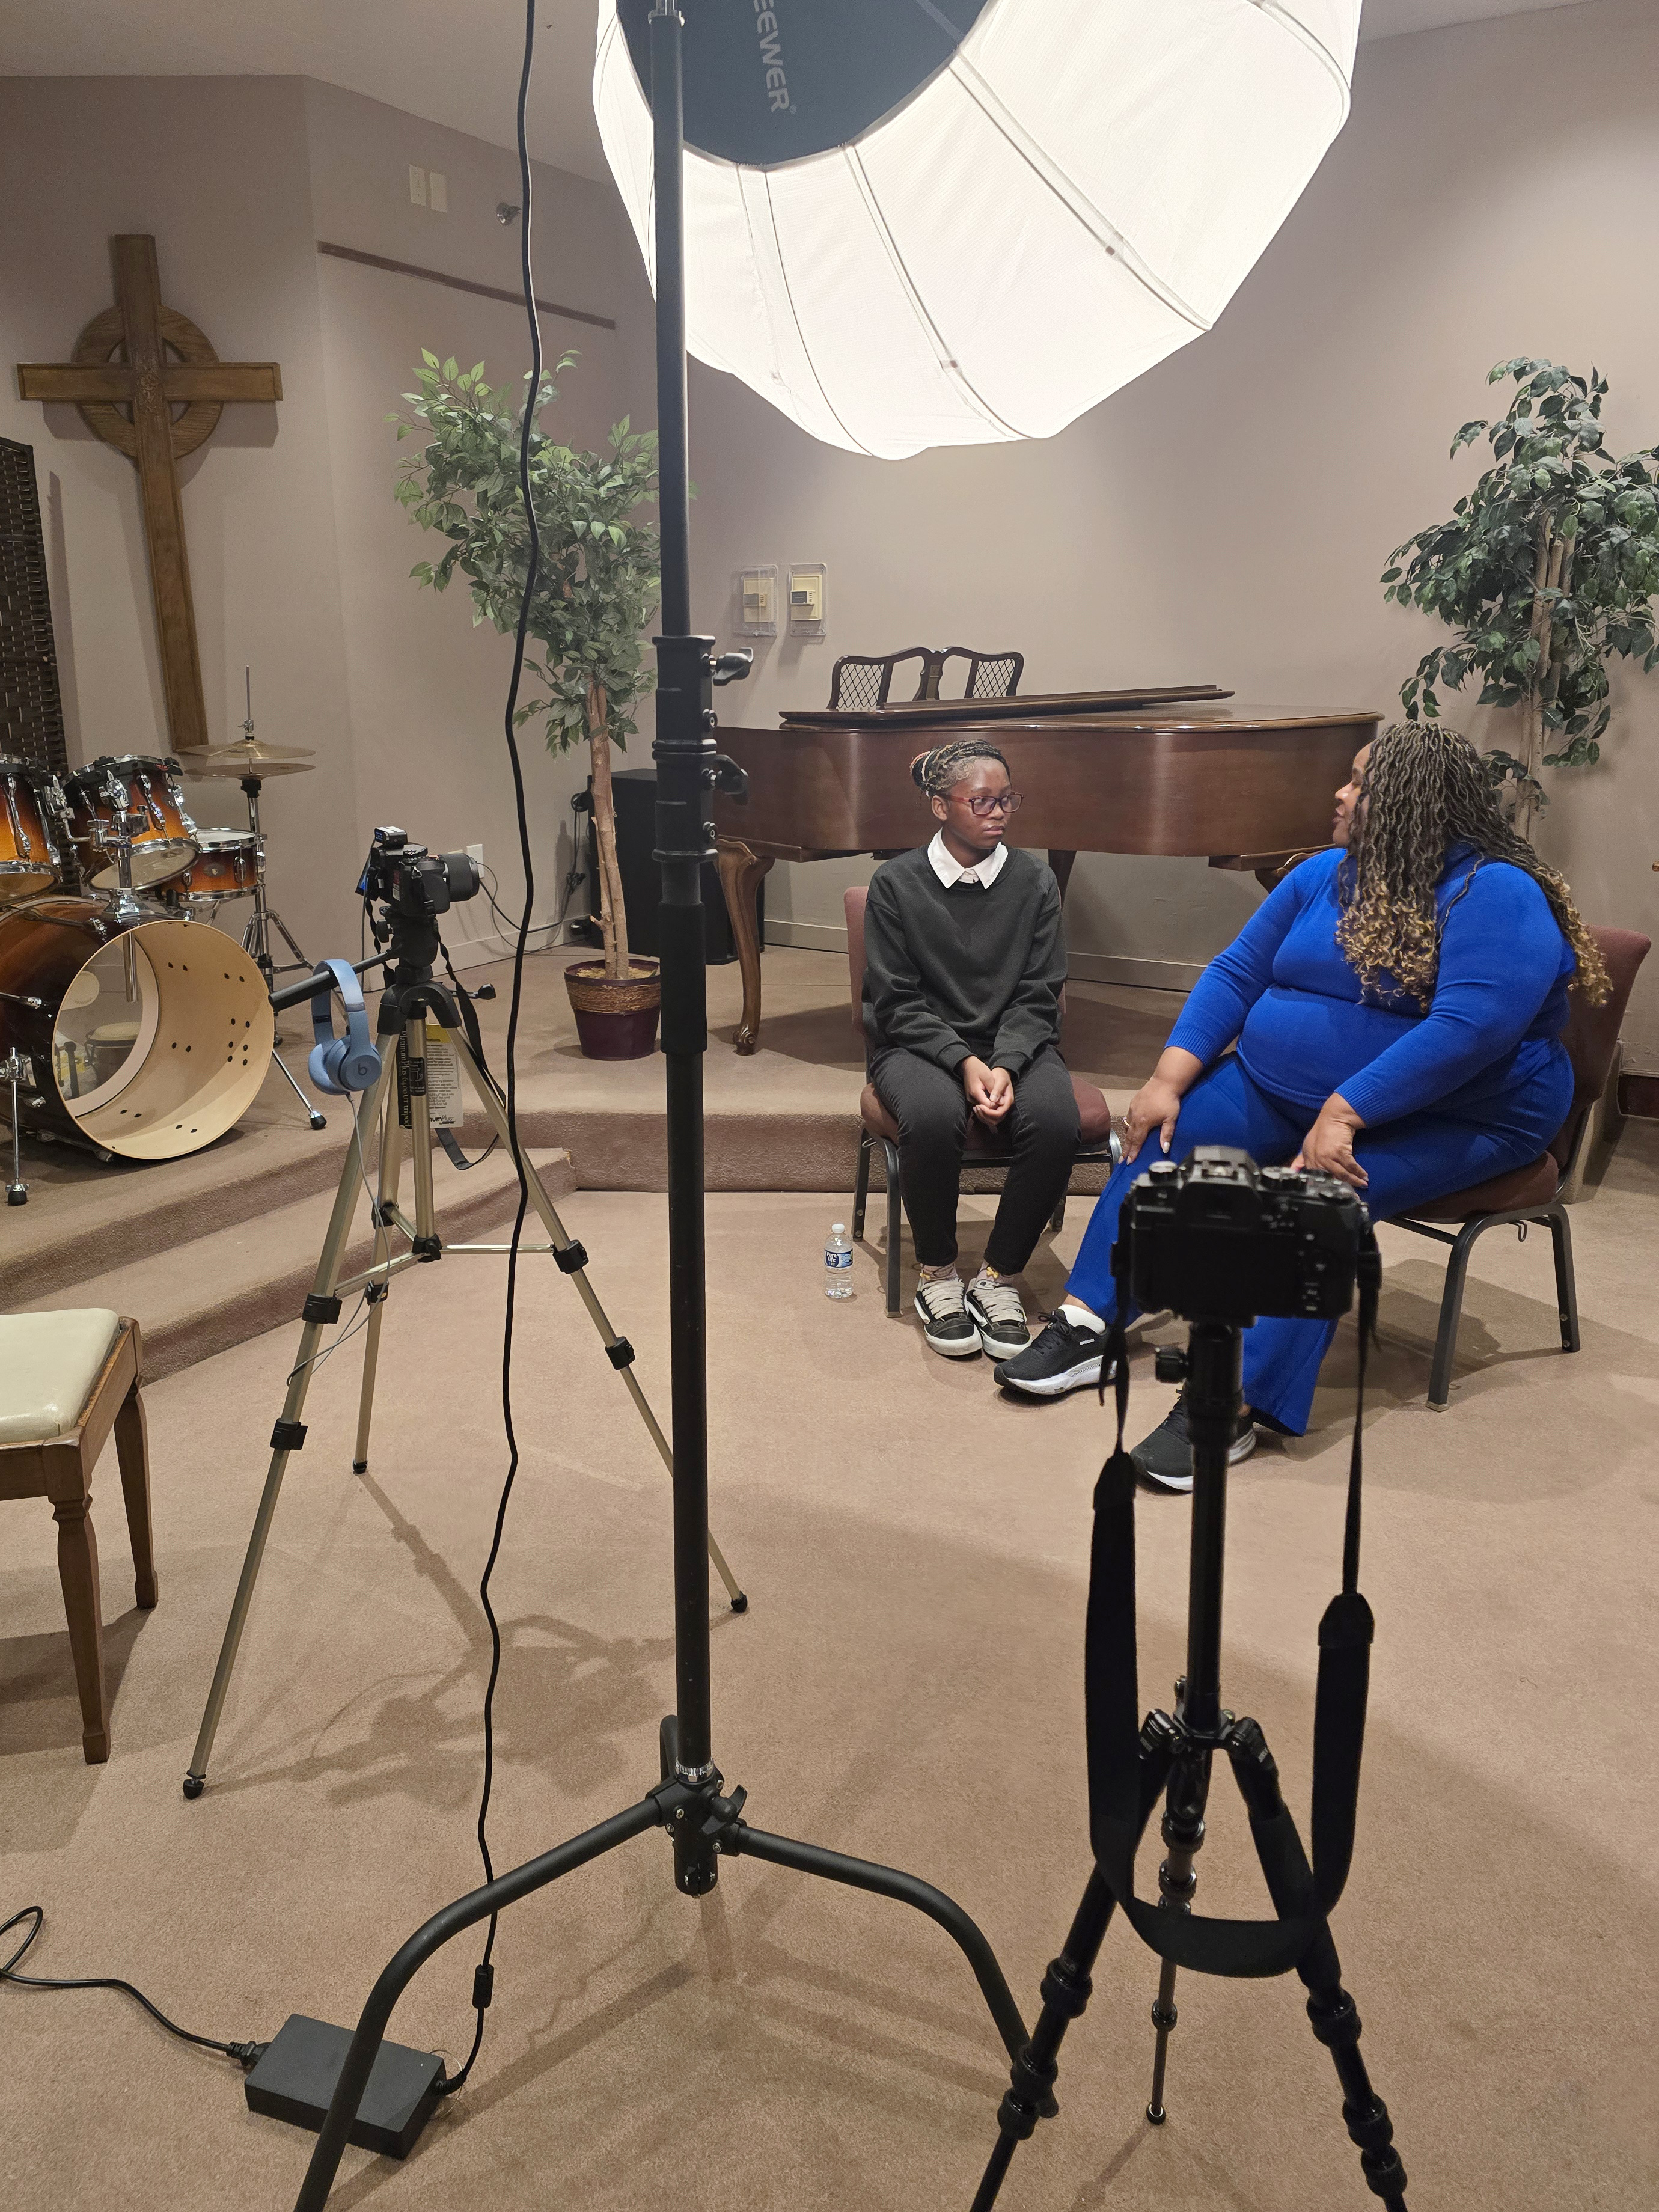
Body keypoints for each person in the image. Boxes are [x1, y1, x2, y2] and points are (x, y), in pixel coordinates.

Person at [997, 721, 1610, 1486]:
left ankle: (1233, 1402)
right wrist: (1166, 1078)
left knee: (1312, 1200)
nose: (1340, 793)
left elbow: (1470, 1032)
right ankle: (1091, 1319)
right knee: (1161, 1139)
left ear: (1413, 805)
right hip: (1282, 1090)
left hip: (1462, 1113)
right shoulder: (1325, 873)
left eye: (1359, 783)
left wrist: (1347, 1111)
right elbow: (1236, 972)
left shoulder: (1498, 894)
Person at [863, 738, 1080, 1358]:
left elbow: (1041, 992)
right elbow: (897, 1001)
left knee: (1057, 1119)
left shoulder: (1035, 879)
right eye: (981, 800)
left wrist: (1005, 1062)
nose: (999, 812)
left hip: (1013, 1039)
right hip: (918, 1041)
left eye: (1006, 798)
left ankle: (998, 1276)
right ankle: (937, 1273)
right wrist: (963, 1061)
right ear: (939, 805)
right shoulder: (895, 882)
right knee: (932, 1116)